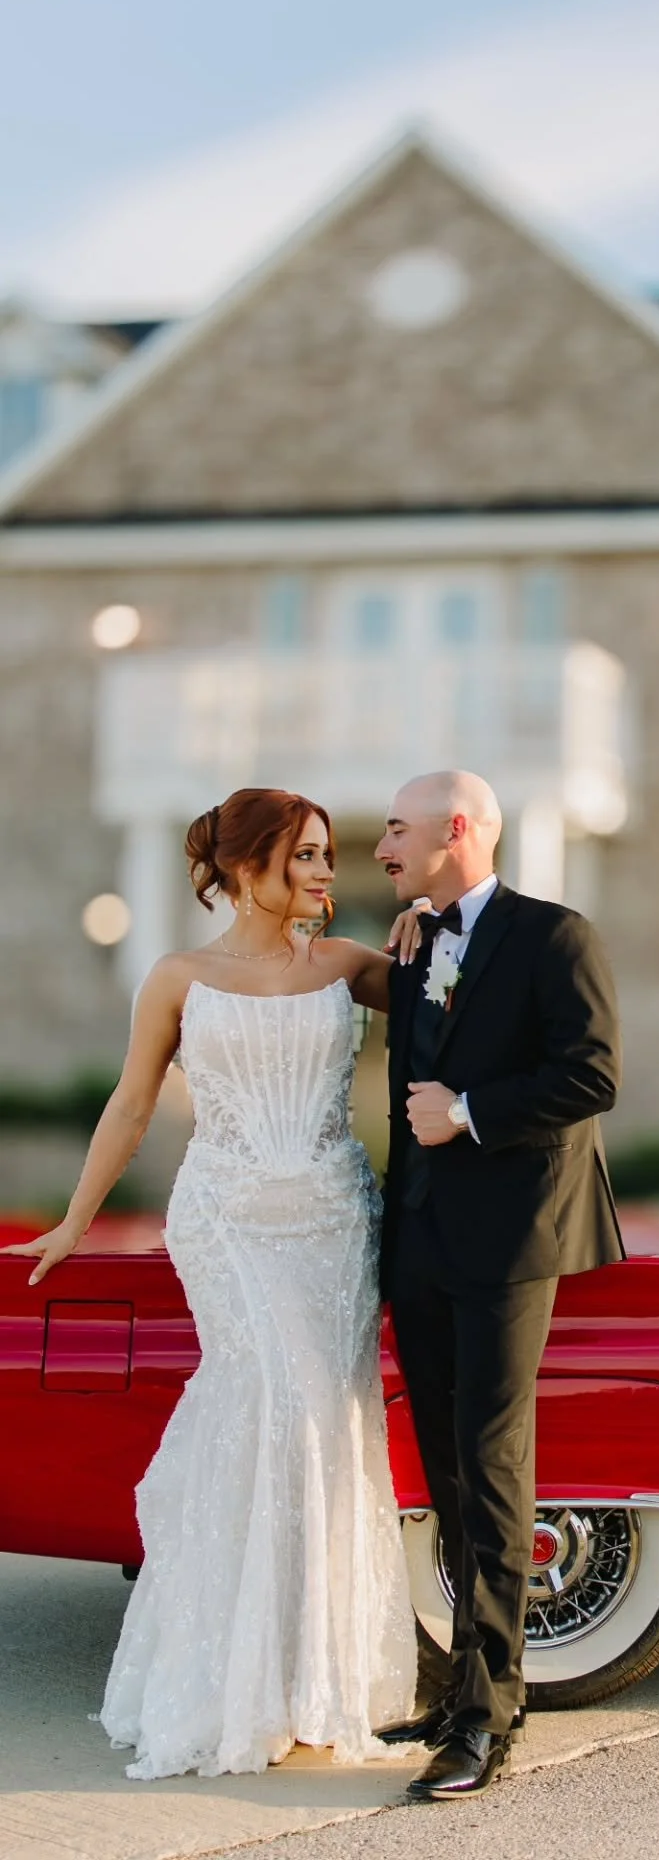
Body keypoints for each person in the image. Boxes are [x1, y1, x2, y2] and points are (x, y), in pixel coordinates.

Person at [1, 788, 417, 1780]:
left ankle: (319, 1680)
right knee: (267, 1401)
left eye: (327, 856)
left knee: (325, 1423)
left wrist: (434, 929)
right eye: (306, 857)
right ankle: (229, 1682)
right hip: (226, 1218)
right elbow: (133, 1102)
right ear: (244, 869)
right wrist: (76, 1218)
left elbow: (467, 1003)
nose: (325, 872)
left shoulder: (354, 967)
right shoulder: (178, 977)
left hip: (330, 1219)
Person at [374, 770, 623, 1802]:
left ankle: (488, 1713)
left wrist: (469, 1110)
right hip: (422, 1241)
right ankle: (459, 1687)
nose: (383, 844)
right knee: (441, 1471)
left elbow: (593, 1074)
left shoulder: (556, 935)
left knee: (489, 1464)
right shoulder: (417, 939)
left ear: (457, 830)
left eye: (397, 827)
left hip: (511, 1241)